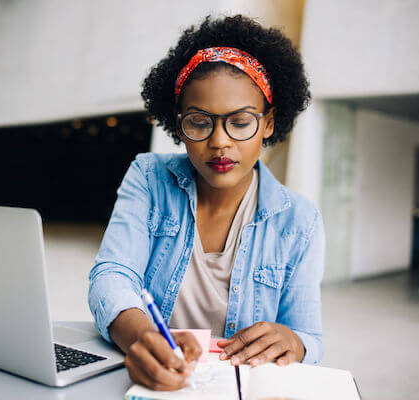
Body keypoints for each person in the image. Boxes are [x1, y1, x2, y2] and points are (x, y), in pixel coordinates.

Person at [88, 14, 324, 391]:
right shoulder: (149, 178)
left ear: (268, 123)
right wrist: (144, 338)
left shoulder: (300, 220)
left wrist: (294, 342)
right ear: (177, 123)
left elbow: (309, 337)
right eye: (199, 122)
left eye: (241, 122)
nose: (219, 142)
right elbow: (112, 275)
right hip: (153, 387)